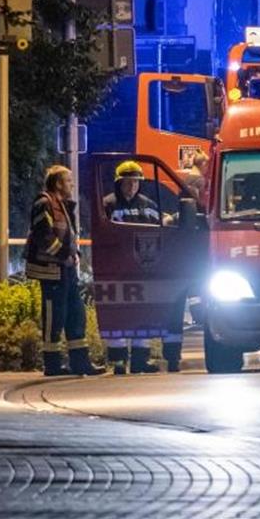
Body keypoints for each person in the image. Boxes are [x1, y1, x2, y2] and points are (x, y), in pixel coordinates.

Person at [100, 160, 180, 374]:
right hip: (117, 269)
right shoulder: (108, 204)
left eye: (136, 182)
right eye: (128, 182)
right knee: (118, 315)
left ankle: (139, 360)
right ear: (119, 182)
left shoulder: (148, 205)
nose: (132, 186)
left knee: (142, 315)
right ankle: (118, 362)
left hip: (144, 268)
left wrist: (173, 218)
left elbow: (160, 226)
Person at [25, 165, 105, 377]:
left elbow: (66, 235)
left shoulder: (61, 205)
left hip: (66, 270)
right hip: (52, 270)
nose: (72, 184)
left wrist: (74, 254)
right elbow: (44, 237)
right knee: (54, 317)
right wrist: (64, 255)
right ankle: (52, 365)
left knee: (75, 315)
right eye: (68, 181)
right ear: (58, 183)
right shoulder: (44, 203)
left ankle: (81, 363)